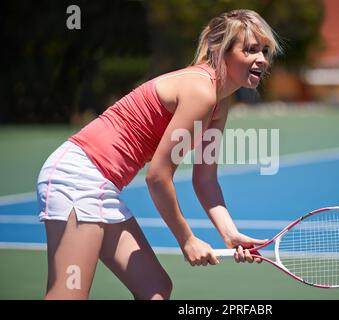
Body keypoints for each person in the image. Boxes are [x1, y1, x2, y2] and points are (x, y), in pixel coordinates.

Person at [36, 9, 281, 300]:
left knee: (155, 289)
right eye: (251, 50)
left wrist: (230, 234)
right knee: (69, 293)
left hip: (101, 185)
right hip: (76, 177)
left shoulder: (219, 102)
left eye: (264, 51)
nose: (262, 59)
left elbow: (205, 179)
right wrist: (187, 239)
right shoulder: (201, 92)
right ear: (220, 51)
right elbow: (158, 177)